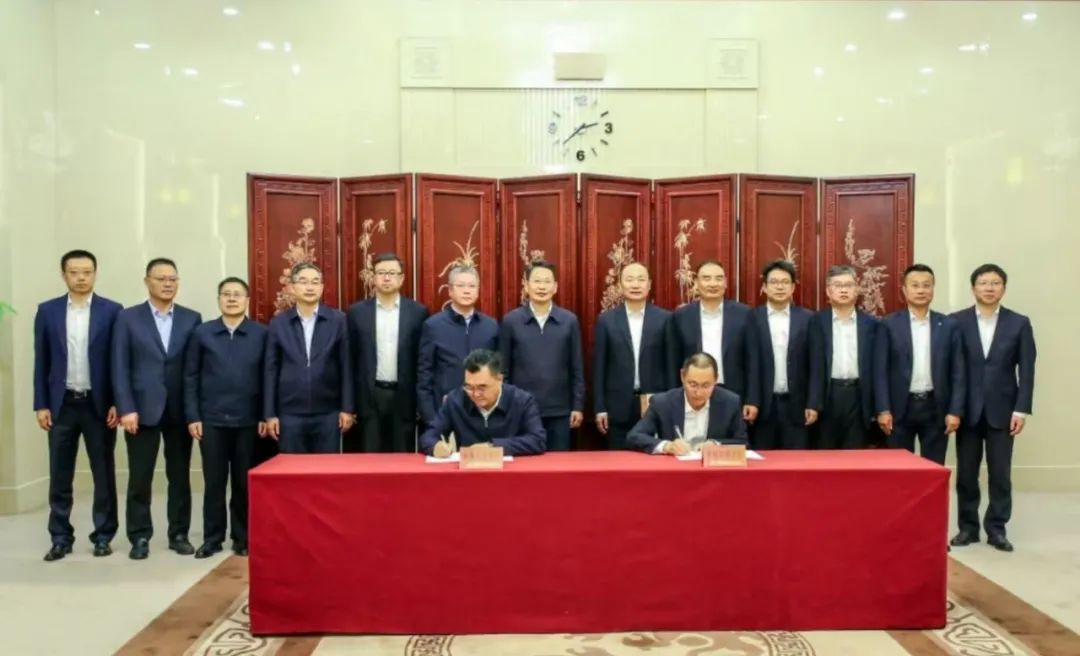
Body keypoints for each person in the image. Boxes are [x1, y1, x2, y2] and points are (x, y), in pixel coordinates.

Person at [33, 250, 122, 561]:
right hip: (62, 405)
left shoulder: (112, 311)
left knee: (103, 473)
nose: (81, 278)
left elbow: (117, 362)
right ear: (64, 275)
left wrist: (117, 402)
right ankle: (60, 537)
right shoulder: (48, 311)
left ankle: (103, 535)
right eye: (74, 272)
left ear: (95, 273)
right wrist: (41, 404)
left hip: (99, 405)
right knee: (60, 474)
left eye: (87, 272)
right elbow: (41, 360)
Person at [112, 257, 202, 559]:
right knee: (140, 478)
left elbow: (194, 369)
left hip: (179, 411)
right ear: (147, 281)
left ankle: (179, 534)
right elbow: (119, 366)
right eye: (161, 278)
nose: (167, 284)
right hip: (140, 411)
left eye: (172, 279)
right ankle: (139, 536)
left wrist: (194, 412)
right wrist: (126, 407)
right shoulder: (128, 318)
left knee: (180, 477)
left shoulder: (191, 318)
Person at [950, 264, 1036, 553]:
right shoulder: (957, 321)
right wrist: (953, 408)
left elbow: (1027, 369)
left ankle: (997, 529)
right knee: (966, 474)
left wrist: (1021, 409)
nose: (989, 288)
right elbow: (950, 368)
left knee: (1000, 474)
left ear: (1003, 288)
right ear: (973, 288)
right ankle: (968, 528)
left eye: (995, 283)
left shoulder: (1019, 323)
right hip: (967, 411)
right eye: (984, 282)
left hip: (1004, 411)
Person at [184, 277, 267, 558]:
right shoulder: (202, 333)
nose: (232, 299)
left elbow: (268, 378)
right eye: (226, 294)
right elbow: (191, 376)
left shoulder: (261, 334)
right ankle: (212, 538)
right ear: (219, 299)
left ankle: (242, 537)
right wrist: (193, 416)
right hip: (212, 421)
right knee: (214, 483)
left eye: (237, 294)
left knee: (244, 483)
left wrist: (265, 415)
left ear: (247, 301)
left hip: (249, 422)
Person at [874, 264, 964, 465]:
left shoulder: (948, 325)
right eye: (915, 285)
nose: (921, 290)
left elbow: (958, 372)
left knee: (933, 467)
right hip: (899, 408)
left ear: (933, 289)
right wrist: (883, 409)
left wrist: (955, 411)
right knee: (899, 468)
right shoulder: (888, 324)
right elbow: (879, 371)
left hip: (936, 407)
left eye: (926, 285)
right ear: (904, 290)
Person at [264, 262, 354, 454]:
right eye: (303, 282)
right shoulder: (278, 323)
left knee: (326, 469)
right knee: (292, 468)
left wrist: (347, 408)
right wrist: (270, 414)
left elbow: (346, 365)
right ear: (292, 287)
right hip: (289, 413)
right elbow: (271, 370)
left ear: (322, 287)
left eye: (315, 282)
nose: (310, 287)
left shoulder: (338, 320)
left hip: (328, 412)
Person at [346, 253, 428, 453]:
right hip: (369, 395)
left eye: (392, 273)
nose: (387, 278)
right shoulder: (357, 313)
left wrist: (421, 402)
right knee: (370, 456)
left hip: (405, 395)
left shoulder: (418, 312)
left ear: (402, 278)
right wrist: (349, 404)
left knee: (402, 456)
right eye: (381, 273)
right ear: (373, 277)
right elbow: (350, 360)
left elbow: (423, 360)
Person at [498, 260, 584, 451]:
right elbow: (503, 370)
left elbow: (576, 367)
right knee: (525, 464)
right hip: (521, 409)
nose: (542, 287)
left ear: (555, 287)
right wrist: (506, 405)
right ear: (526, 285)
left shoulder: (569, 321)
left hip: (559, 411)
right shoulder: (511, 321)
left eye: (547, 282)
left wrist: (577, 406)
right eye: (537, 281)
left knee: (558, 464)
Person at [667, 259, 759, 423]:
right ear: (696, 283)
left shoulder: (744, 314)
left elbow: (753, 359)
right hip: (693, 393)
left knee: (731, 438)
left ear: (725, 283)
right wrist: (674, 398)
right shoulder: (681, 316)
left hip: (734, 392)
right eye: (706, 278)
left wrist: (752, 399)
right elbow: (673, 361)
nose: (713, 283)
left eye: (718, 278)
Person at [593, 263, 672, 449]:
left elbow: (670, 364)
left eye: (641, 280)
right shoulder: (606, 320)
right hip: (617, 405)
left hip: (655, 402)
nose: (635, 285)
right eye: (629, 280)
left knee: (654, 458)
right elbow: (599, 367)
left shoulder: (665, 319)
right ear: (620, 285)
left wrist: (671, 403)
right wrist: (600, 407)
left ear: (649, 285)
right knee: (618, 460)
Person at [748, 260, 823, 450]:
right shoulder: (752, 318)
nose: (780, 287)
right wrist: (750, 400)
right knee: (763, 462)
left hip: (797, 406)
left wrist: (813, 403)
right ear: (764, 287)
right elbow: (747, 364)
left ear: (793, 288)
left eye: (785, 282)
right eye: (774, 282)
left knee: (797, 462)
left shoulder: (808, 319)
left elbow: (816, 365)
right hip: (762, 407)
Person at [419, 349, 546, 456]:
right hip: (468, 472)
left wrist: (494, 446)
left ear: (499, 379)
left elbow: (537, 440)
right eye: (469, 387)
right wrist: (435, 446)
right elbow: (428, 436)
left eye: (482, 387)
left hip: (510, 472)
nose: (475, 394)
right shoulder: (455, 400)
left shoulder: (522, 401)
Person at [417, 265, 499, 426]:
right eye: (461, 286)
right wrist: (431, 419)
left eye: (472, 286)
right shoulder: (433, 326)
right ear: (450, 291)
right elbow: (424, 376)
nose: (467, 291)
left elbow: (498, 372)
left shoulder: (491, 326)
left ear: (478, 290)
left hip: (483, 413)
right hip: (444, 411)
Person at [627, 353, 749, 455]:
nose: (698, 392)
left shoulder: (730, 402)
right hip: (675, 470)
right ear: (682, 376)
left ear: (716, 380)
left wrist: (716, 444)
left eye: (706, 385)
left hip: (712, 471)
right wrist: (667, 446)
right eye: (693, 384)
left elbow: (743, 442)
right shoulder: (662, 403)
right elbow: (634, 436)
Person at [813, 265, 879, 449]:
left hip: (859, 395)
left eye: (848, 285)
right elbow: (810, 366)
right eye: (837, 285)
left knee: (855, 454)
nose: (843, 290)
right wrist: (812, 403)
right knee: (825, 453)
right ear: (828, 291)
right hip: (828, 394)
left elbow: (878, 369)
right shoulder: (815, 322)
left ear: (857, 290)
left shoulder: (872, 325)